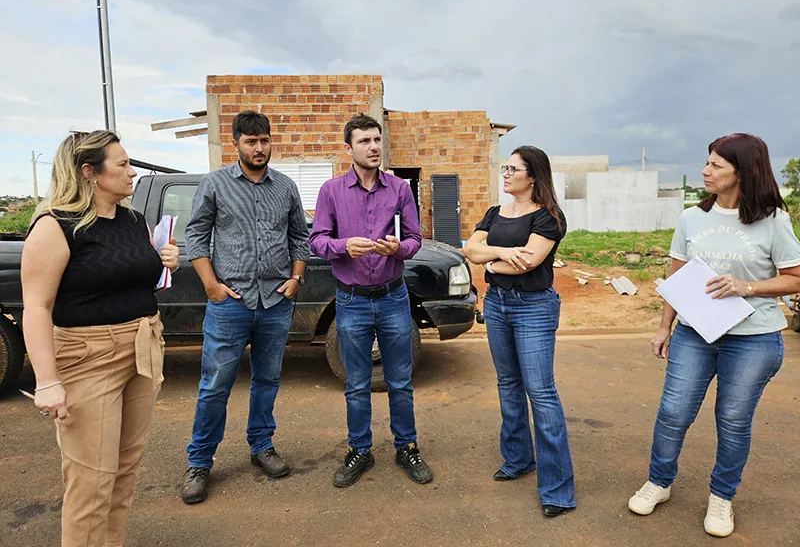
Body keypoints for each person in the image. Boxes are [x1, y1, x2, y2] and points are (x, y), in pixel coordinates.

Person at [628, 133, 800, 537]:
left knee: (734, 420)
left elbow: (795, 277)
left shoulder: (773, 219)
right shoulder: (692, 217)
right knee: (673, 413)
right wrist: (664, 325)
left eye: (716, 165)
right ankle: (659, 482)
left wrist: (747, 287)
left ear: (744, 172)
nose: (705, 171)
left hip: (753, 338)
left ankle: (722, 498)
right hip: (694, 332)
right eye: (707, 162)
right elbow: (678, 275)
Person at [21, 130, 179, 547]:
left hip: (142, 345)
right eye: (123, 164)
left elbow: (140, 280)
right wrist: (47, 381)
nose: (132, 172)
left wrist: (166, 262)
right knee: (91, 482)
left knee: (124, 472)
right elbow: (36, 307)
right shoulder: (55, 225)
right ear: (90, 172)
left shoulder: (132, 220)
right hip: (86, 355)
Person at [180, 110, 310, 504]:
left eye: (265, 140)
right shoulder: (215, 184)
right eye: (251, 141)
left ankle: (262, 446)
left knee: (267, 379)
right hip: (230, 303)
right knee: (215, 385)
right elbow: (196, 236)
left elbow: (299, 238)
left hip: (275, 301)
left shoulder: (285, 187)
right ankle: (200, 462)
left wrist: (295, 279)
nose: (259, 148)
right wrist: (212, 286)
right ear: (235, 143)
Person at [309, 113, 433, 487]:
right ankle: (360, 450)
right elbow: (316, 241)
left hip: (394, 298)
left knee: (400, 380)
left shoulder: (399, 189)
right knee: (357, 383)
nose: (374, 147)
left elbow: (414, 239)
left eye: (377, 140)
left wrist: (399, 248)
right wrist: (343, 246)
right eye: (364, 141)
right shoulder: (331, 191)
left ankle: (406, 446)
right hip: (351, 301)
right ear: (349, 148)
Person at [463, 145, 575, 517]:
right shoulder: (496, 212)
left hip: (533, 308)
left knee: (541, 393)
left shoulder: (548, 217)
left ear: (533, 176)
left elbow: (527, 262)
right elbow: (470, 250)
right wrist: (500, 253)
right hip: (496, 306)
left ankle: (557, 490)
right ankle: (517, 460)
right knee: (508, 385)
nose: (506, 173)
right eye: (505, 167)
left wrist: (493, 264)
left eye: (513, 168)